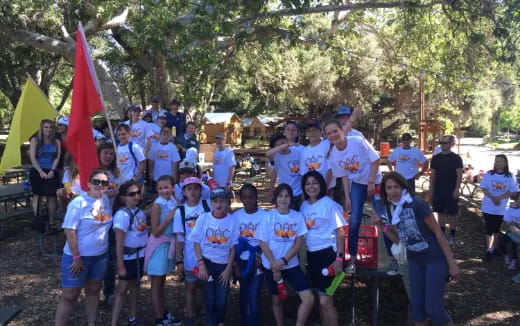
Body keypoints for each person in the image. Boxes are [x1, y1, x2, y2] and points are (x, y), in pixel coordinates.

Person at [372, 171, 460, 326]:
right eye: (389, 188)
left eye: (396, 187)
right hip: (415, 261)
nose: (393, 191)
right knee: (418, 311)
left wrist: (451, 263)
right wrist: (381, 226)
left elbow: (439, 233)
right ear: (384, 191)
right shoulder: (392, 210)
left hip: (434, 258)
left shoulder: (417, 204)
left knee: (434, 309)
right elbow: (399, 239)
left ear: (403, 187)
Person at [324, 120, 384, 273]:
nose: (333, 135)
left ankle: (395, 258)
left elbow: (376, 160)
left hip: (375, 181)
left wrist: (371, 181)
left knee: (382, 217)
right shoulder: (334, 156)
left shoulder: (356, 141)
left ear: (342, 130)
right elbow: (344, 176)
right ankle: (351, 258)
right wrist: (348, 197)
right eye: (329, 133)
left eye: (335, 131)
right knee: (354, 219)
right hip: (357, 184)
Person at [54, 169, 112, 326]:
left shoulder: (105, 199)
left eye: (104, 182)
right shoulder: (78, 203)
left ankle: (91, 323)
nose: (100, 185)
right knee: (70, 295)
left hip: (100, 256)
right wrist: (76, 257)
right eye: (96, 181)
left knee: (93, 291)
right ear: (88, 183)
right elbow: (69, 231)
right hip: (78, 257)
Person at [256, 184, 314, 326]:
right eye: (280, 196)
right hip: (270, 264)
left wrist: (282, 261)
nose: (283, 199)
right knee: (276, 300)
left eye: (287, 196)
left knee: (309, 298)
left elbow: (298, 244)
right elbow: (262, 243)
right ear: (275, 198)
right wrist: (274, 266)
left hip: (290, 264)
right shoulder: (268, 216)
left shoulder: (297, 216)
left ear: (291, 198)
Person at [300, 171, 346, 326]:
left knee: (326, 301)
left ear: (321, 185)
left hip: (329, 255)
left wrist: (339, 258)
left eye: (314, 183)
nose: (311, 186)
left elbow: (340, 231)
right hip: (313, 257)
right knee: (320, 301)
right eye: (307, 183)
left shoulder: (328, 203)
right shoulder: (304, 205)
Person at [189, 188, 240, 326]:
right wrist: (201, 265)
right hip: (207, 264)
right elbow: (196, 242)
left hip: (223, 265)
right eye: (215, 201)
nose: (219, 205)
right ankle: (212, 322)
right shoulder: (204, 218)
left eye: (222, 201)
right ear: (211, 202)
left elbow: (233, 246)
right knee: (210, 298)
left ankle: (220, 321)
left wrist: (229, 268)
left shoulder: (232, 220)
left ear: (227, 202)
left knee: (222, 299)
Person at [173, 177, 212, 326]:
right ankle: (190, 315)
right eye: (189, 189)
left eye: (196, 188)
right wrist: (179, 260)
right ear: (183, 192)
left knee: (207, 286)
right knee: (190, 287)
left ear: (201, 190)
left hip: (208, 254)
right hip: (190, 256)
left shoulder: (208, 206)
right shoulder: (180, 211)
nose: (193, 192)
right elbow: (179, 237)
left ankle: (207, 313)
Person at [145, 175, 182, 326]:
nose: (163, 190)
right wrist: (169, 217)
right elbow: (155, 231)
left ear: (173, 187)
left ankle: (163, 312)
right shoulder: (157, 205)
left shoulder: (173, 201)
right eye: (160, 188)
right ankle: (159, 318)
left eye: (166, 187)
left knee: (162, 283)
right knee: (156, 284)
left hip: (168, 245)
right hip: (158, 247)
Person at [111, 180, 148, 326]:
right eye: (131, 194)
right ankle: (114, 322)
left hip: (140, 256)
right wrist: (121, 265)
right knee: (122, 290)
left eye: (138, 193)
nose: (136, 196)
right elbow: (119, 242)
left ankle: (132, 317)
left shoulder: (138, 212)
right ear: (123, 198)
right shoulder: (122, 215)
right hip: (128, 258)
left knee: (135, 287)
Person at [233, 184, 266, 326]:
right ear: (241, 199)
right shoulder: (236, 216)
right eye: (245, 197)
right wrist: (235, 264)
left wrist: (261, 258)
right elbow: (233, 242)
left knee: (254, 295)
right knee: (244, 295)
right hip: (241, 261)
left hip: (258, 260)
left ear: (256, 197)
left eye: (251, 197)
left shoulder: (265, 215)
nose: (248, 200)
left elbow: (269, 240)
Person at [97, 142, 123, 307]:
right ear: (99, 154)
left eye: (111, 154)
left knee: (112, 258)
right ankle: (94, 290)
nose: (108, 156)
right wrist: (118, 191)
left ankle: (109, 291)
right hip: (98, 222)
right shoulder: (94, 173)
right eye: (105, 153)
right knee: (98, 256)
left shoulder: (116, 172)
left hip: (114, 219)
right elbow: (98, 194)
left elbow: (122, 191)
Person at [480, 154, 518, 261]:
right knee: (489, 229)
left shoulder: (510, 176)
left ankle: (495, 248)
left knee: (497, 229)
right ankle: (489, 250)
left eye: (501, 161)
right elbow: (483, 187)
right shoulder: (489, 174)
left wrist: (500, 197)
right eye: (496, 161)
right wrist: (493, 197)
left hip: (501, 208)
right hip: (488, 207)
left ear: (505, 163)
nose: (498, 163)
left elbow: (513, 191)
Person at [429, 135, 463, 246]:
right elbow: (432, 175)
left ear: (451, 144)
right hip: (439, 189)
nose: (442, 145)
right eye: (441, 142)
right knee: (440, 212)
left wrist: (457, 189)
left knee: (453, 213)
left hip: (451, 189)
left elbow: (459, 175)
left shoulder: (456, 158)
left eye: (445, 142)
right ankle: (442, 235)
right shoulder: (436, 158)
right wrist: (431, 189)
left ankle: (452, 235)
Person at [29, 119, 61, 228]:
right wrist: (40, 171)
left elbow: (57, 157)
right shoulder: (35, 140)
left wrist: (52, 170)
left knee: (52, 196)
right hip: (37, 170)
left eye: (51, 127)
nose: (48, 129)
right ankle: (38, 220)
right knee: (37, 196)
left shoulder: (56, 141)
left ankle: (52, 221)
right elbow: (32, 157)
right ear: (42, 128)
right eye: (46, 127)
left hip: (51, 170)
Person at [266, 133, 302, 210]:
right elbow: (267, 154)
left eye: (283, 142)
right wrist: (271, 189)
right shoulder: (275, 157)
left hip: (299, 192)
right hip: (284, 194)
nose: (282, 147)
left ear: (286, 141)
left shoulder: (298, 152)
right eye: (278, 146)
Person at [299, 119, 335, 194]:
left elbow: (330, 169)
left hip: (327, 187)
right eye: (309, 131)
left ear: (320, 131)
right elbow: (303, 173)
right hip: (312, 191)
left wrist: (325, 187)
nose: (312, 133)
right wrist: (304, 191)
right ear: (306, 134)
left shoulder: (327, 144)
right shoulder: (304, 151)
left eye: (314, 130)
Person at [499, 192, 520, 270]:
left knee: (514, 242)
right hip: (511, 230)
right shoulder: (511, 208)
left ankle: (514, 260)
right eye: (519, 198)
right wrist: (513, 224)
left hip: (518, 232)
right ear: (517, 199)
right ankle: (506, 255)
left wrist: (516, 223)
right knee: (501, 242)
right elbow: (507, 221)